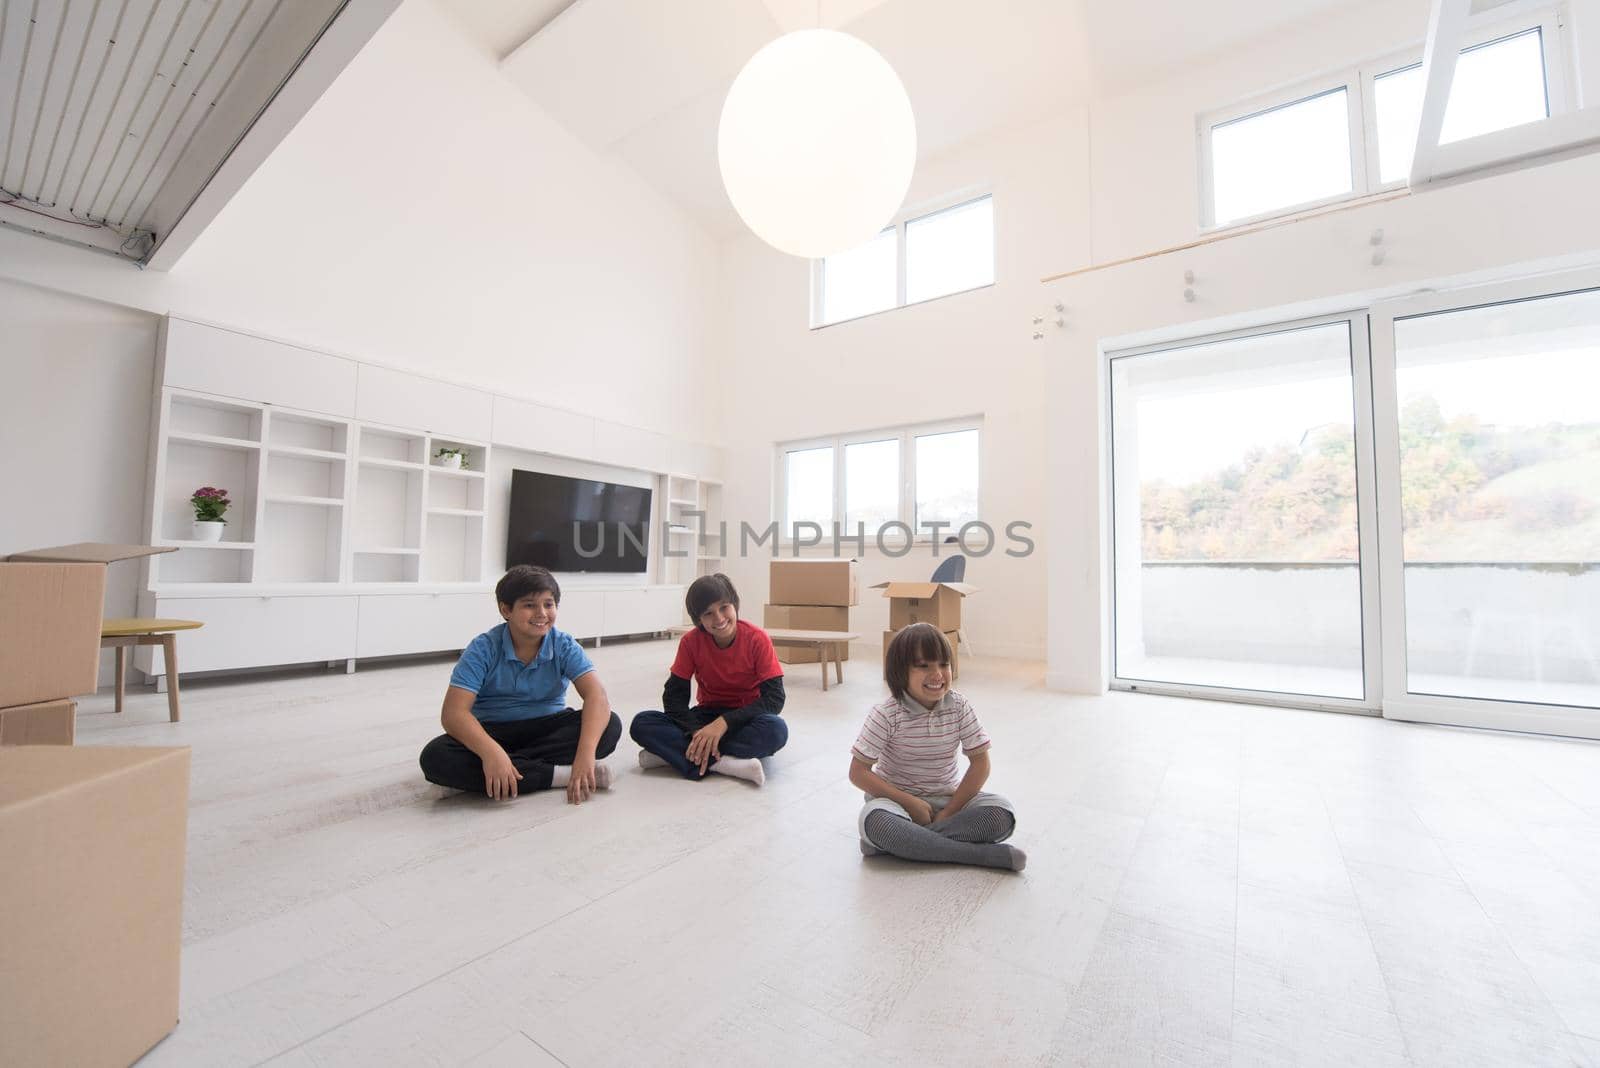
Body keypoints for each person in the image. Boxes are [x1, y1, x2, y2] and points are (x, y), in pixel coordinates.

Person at [420, 564, 621, 803]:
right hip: (494, 731)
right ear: (506, 609)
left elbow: (596, 695)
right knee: (435, 757)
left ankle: (485, 778)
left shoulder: (563, 644)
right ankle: (559, 775)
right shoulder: (483, 648)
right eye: (529, 605)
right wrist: (492, 753)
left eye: (548, 604)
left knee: (610, 726)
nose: (542, 613)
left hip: (547, 728)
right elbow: (453, 714)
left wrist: (586, 756)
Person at [850, 623, 1025, 871]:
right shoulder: (887, 713)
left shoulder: (959, 706)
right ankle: (977, 855)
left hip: (949, 802)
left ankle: (899, 844)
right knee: (877, 822)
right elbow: (858, 772)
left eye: (944, 664)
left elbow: (981, 764)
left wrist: (949, 812)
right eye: (924, 666)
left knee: (1002, 815)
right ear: (900, 671)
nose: (937, 674)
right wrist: (911, 804)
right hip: (896, 804)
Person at [630, 573, 787, 785]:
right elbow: (674, 699)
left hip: (745, 717)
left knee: (776, 730)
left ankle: (676, 755)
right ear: (699, 620)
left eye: (724, 607)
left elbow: (774, 699)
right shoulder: (690, 643)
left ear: (734, 605)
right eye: (708, 613)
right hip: (706, 715)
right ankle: (724, 763)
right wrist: (697, 731)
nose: (719, 618)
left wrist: (723, 724)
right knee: (641, 723)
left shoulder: (757, 639)